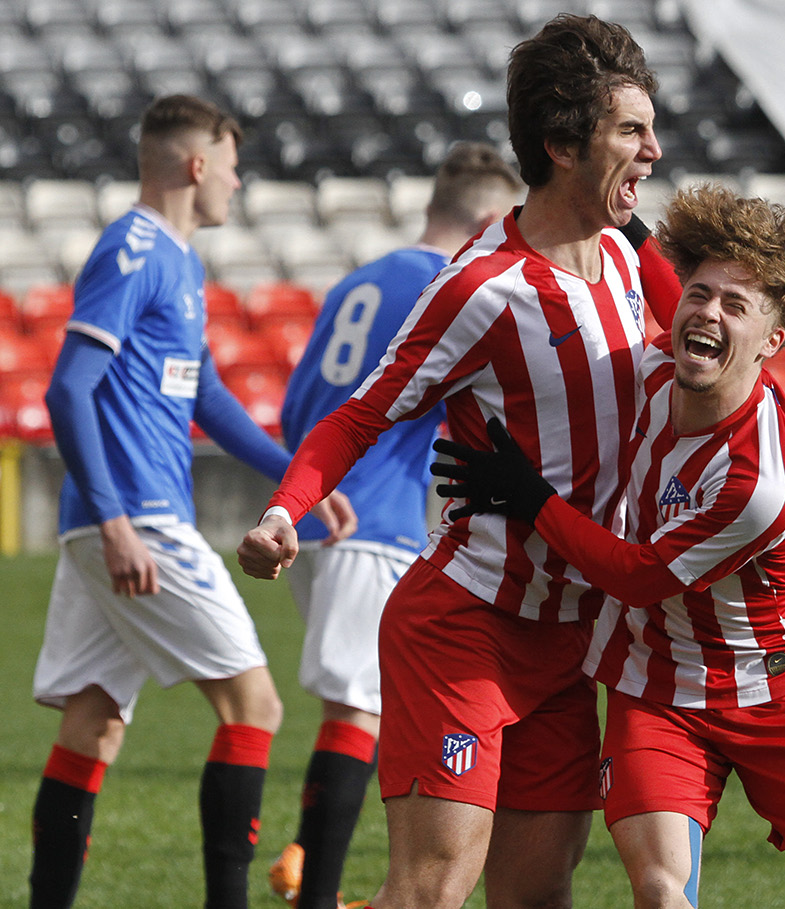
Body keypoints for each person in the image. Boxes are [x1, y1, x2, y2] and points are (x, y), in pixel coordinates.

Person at [235, 15, 680, 909]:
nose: (655, 150)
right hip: (465, 626)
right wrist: (286, 507)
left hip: (570, 634)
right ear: (560, 144)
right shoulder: (483, 289)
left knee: (536, 897)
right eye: (630, 130)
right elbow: (357, 416)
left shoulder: (634, 262)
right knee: (434, 888)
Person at [431, 184, 785, 908]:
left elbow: (639, 577)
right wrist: (620, 211)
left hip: (776, 688)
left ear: (773, 343)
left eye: (736, 306)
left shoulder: (755, 481)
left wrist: (530, 498)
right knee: (658, 889)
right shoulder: (651, 370)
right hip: (654, 690)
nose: (709, 313)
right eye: (700, 295)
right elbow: (666, 287)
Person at [28, 94, 354, 909]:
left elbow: (207, 396)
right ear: (198, 164)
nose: (239, 184)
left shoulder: (180, 259)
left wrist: (298, 483)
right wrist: (114, 521)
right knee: (256, 704)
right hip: (133, 517)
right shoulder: (133, 249)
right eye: (233, 166)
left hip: (114, 519)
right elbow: (68, 389)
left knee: (93, 722)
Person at [263, 143, 524, 909]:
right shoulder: (445, 288)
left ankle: (310, 865)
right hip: (370, 521)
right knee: (358, 705)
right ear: (486, 218)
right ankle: (311, 882)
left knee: (356, 700)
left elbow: (293, 408)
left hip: (317, 518)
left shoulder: (357, 279)